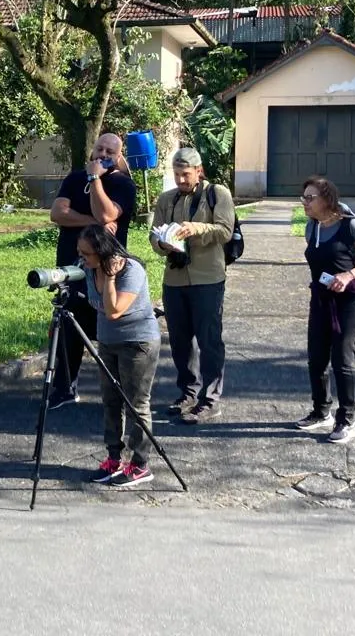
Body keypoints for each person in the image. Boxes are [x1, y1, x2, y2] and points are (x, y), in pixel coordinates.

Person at [47, 132, 137, 409]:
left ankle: (120, 391)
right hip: (71, 264)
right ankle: (64, 388)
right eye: (99, 148)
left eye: (110, 151)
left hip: (107, 269)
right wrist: (91, 222)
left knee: (109, 327)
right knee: (68, 325)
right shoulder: (74, 179)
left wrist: (96, 179)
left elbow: (108, 215)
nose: (103, 154)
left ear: (118, 156)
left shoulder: (123, 184)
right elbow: (58, 213)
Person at [150, 147, 234, 425]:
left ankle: (210, 400)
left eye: (186, 174)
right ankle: (187, 393)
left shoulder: (217, 194)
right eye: (176, 174)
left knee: (209, 340)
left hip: (207, 278)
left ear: (199, 171)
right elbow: (155, 236)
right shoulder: (166, 199)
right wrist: (162, 243)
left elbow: (225, 230)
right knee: (179, 340)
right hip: (174, 279)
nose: (181, 180)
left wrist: (197, 228)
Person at [297, 176, 355, 443]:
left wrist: (348, 275)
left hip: (350, 302)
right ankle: (322, 412)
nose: (305, 203)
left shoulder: (350, 225)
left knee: (342, 361)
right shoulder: (312, 228)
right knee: (316, 359)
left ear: (327, 199)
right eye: (303, 197)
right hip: (321, 300)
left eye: (311, 198)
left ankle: (347, 420)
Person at [78, 225, 161, 487]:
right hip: (108, 342)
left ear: (102, 252)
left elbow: (113, 311)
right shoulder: (90, 268)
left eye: (86, 254)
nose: (82, 258)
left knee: (136, 404)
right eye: (79, 253)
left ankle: (140, 464)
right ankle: (113, 458)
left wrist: (110, 277)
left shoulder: (131, 270)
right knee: (110, 402)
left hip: (138, 344)